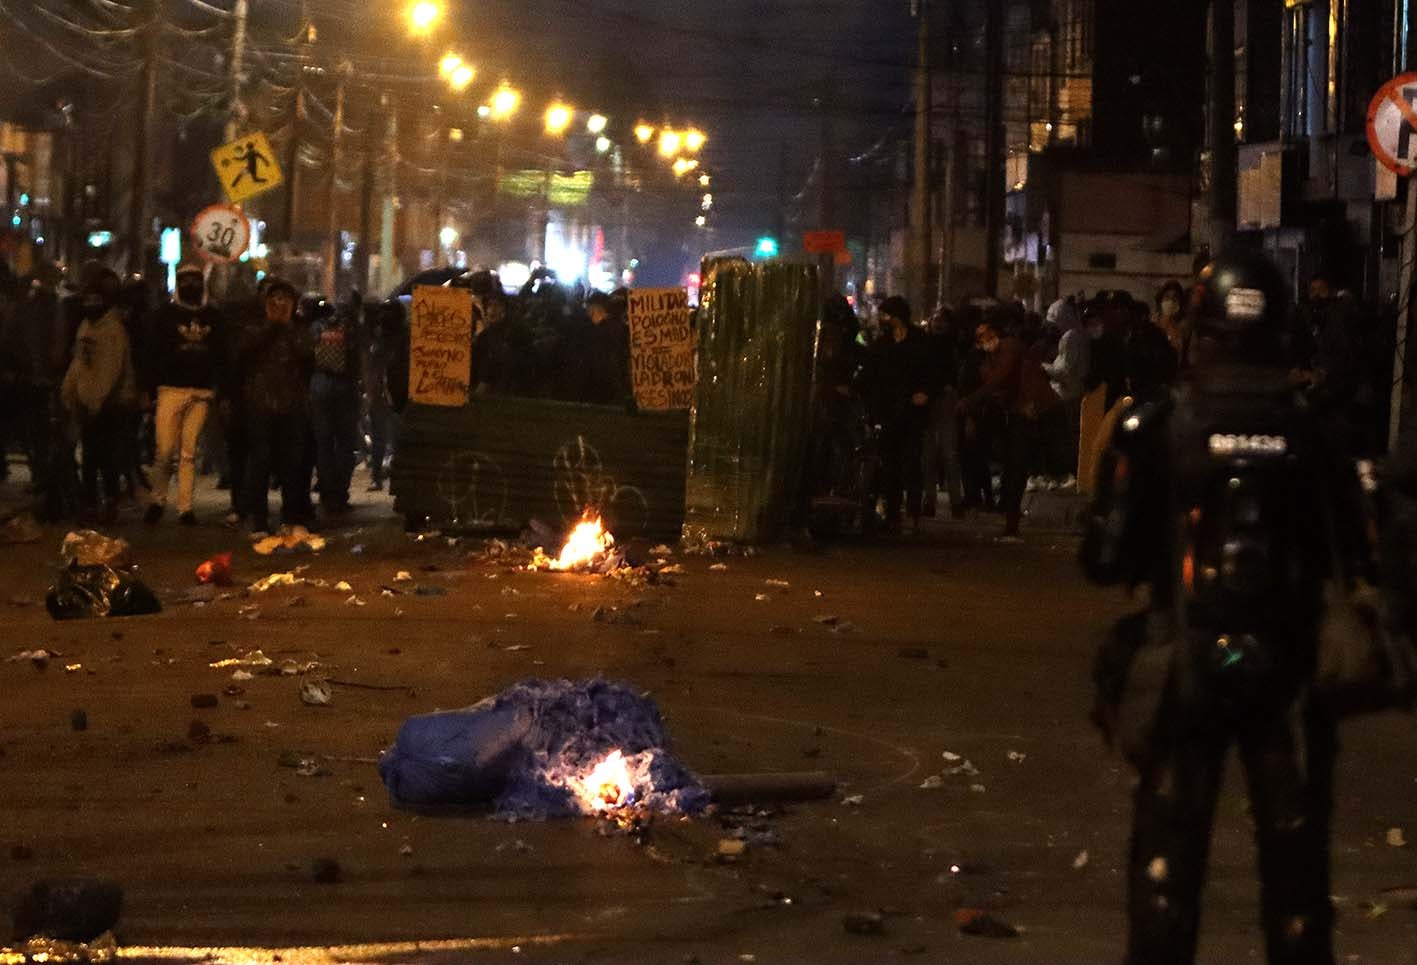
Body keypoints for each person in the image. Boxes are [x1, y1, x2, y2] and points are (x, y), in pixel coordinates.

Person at [1081, 250, 1401, 964]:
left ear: (1200, 326)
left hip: (1184, 658)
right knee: (1294, 862)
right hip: (1286, 671)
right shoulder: (1316, 430)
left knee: (1167, 851)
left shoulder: (1156, 425)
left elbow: (1102, 559)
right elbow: (1366, 554)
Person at [957, 314, 1060, 538]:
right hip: (1018, 414)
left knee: (1020, 464)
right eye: (982, 337)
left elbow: (1001, 378)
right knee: (1014, 465)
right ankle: (1010, 518)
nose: (988, 339)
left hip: (1038, 410)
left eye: (990, 334)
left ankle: (1012, 517)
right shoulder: (986, 364)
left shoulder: (1010, 346)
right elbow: (997, 388)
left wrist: (971, 401)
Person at [143, 261, 225, 525]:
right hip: (170, 389)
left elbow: (220, 354)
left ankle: (185, 507)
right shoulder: (165, 315)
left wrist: (216, 386)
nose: (191, 285)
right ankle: (157, 499)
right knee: (165, 450)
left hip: (200, 392)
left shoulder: (213, 316)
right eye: (185, 280)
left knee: (188, 452)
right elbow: (152, 353)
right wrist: (150, 388)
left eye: (195, 280)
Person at [60, 263, 137, 523]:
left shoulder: (113, 330)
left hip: (109, 402)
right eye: (88, 299)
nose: (91, 304)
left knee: (103, 455)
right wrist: (70, 392)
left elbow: (110, 369)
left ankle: (108, 499)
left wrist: (97, 400)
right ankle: (92, 501)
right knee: (92, 455)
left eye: (96, 300)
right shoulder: (87, 326)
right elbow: (79, 362)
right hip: (88, 400)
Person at [235, 277, 312, 534]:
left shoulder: (299, 329)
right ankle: (258, 517)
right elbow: (242, 354)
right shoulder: (253, 327)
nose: (280, 303)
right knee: (260, 462)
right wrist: (270, 326)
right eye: (275, 298)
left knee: (292, 465)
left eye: (285, 299)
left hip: (292, 406)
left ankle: (290, 517)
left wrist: (287, 325)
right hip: (260, 405)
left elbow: (307, 356)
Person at [865, 296, 931, 533]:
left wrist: (924, 392)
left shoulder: (919, 341)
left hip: (913, 412)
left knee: (912, 461)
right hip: (889, 411)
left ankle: (913, 512)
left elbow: (931, 371)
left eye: (886, 315)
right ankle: (893, 513)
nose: (883, 320)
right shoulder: (882, 344)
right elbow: (872, 376)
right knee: (890, 463)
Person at [308, 296, 362, 515]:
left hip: (319, 385)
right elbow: (358, 358)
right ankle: (340, 493)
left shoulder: (315, 327)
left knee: (324, 443)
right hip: (345, 386)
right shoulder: (352, 328)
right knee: (345, 443)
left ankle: (327, 492)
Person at [920, 306, 963, 518]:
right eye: (934, 319)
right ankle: (931, 501)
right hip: (929, 401)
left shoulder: (950, 345)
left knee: (947, 453)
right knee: (930, 454)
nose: (936, 323)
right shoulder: (926, 343)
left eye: (941, 320)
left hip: (943, 401)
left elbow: (954, 375)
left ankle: (955, 502)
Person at [563, 290, 632, 405]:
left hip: (603, 386)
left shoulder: (597, 331)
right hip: (613, 386)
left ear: (594, 308)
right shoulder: (618, 327)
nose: (587, 311)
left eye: (588, 307)